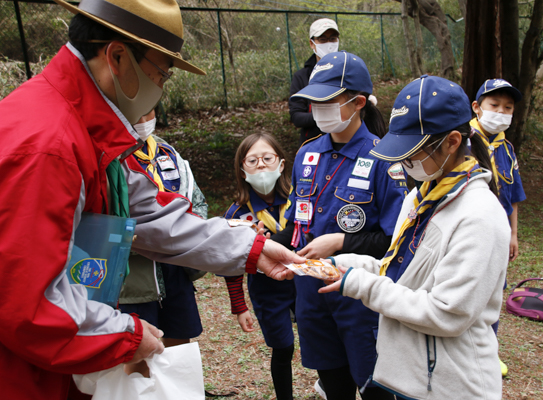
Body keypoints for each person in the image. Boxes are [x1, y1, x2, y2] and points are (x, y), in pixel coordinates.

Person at [0, 1, 301, 399]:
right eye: (161, 73)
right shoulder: (47, 144)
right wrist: (127, 333)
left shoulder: (91, 130)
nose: (160, 88)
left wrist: (252, 247)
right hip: (24, 375)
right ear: (118, 56)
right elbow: (28, 300)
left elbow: (149, 211)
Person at [319, 75, 511, 400]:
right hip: (411, 380)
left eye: (413, 153)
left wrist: (361, 285)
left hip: (454, 387)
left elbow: (446, 313)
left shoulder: (479, 216)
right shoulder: (420, 196)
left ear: (452, 142)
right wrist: (343, 264)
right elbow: (399, 271)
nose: (405, 163)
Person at [277, 51, 408, 400]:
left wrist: (340, 241)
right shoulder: (307, 154)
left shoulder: (384, 158)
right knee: (333, 386)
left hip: (359, 299)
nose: (317, 109)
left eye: (327, 101)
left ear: (358, 102)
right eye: (313, 100)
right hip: (311, 296)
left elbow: (396, 241)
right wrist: (261, 239)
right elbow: (295, 225)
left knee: (375, 387)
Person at [119, 110, 207, 352]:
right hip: (133, 280)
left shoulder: (166, 151)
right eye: (138, 110)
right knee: (137, 351)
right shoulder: (111, 154)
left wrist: (186, 234)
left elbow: (197, 201)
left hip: (175, 269)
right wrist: (151, 239)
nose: (144, 118)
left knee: (180, 344)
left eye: (149, 110)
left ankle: (178, 391)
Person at [222, 133, 297, 400]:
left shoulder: (299, 202)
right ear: (242, 170)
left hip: (304, 282)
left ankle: (327, 385)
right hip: (267, 290)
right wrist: (239, 306)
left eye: (267, 158)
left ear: (282, 163)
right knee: (283, 347)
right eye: (252, 161)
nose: (261, 166)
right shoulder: (237, 214)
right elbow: (230, 264)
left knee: (317, 339)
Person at [470, 78, 527, 376]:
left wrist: (513, 234)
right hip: (471, 233)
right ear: (477, 107)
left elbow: (513, 194)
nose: (501, 112)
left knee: (494, 291)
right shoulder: (463, 141)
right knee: (469, 288)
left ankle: (489, 351)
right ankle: (468, 351)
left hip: (499, 233)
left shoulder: (507, 148)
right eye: (494, 106)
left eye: (508, 108)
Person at [289, 18, 340, 145]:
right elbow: (296, 117)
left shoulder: (348, 71)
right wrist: (327, 115)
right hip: (312, 144)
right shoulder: (302, 77)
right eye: (322, 39)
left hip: (346, 142)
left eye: (333, 39)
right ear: (312, 43)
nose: (328, 43)